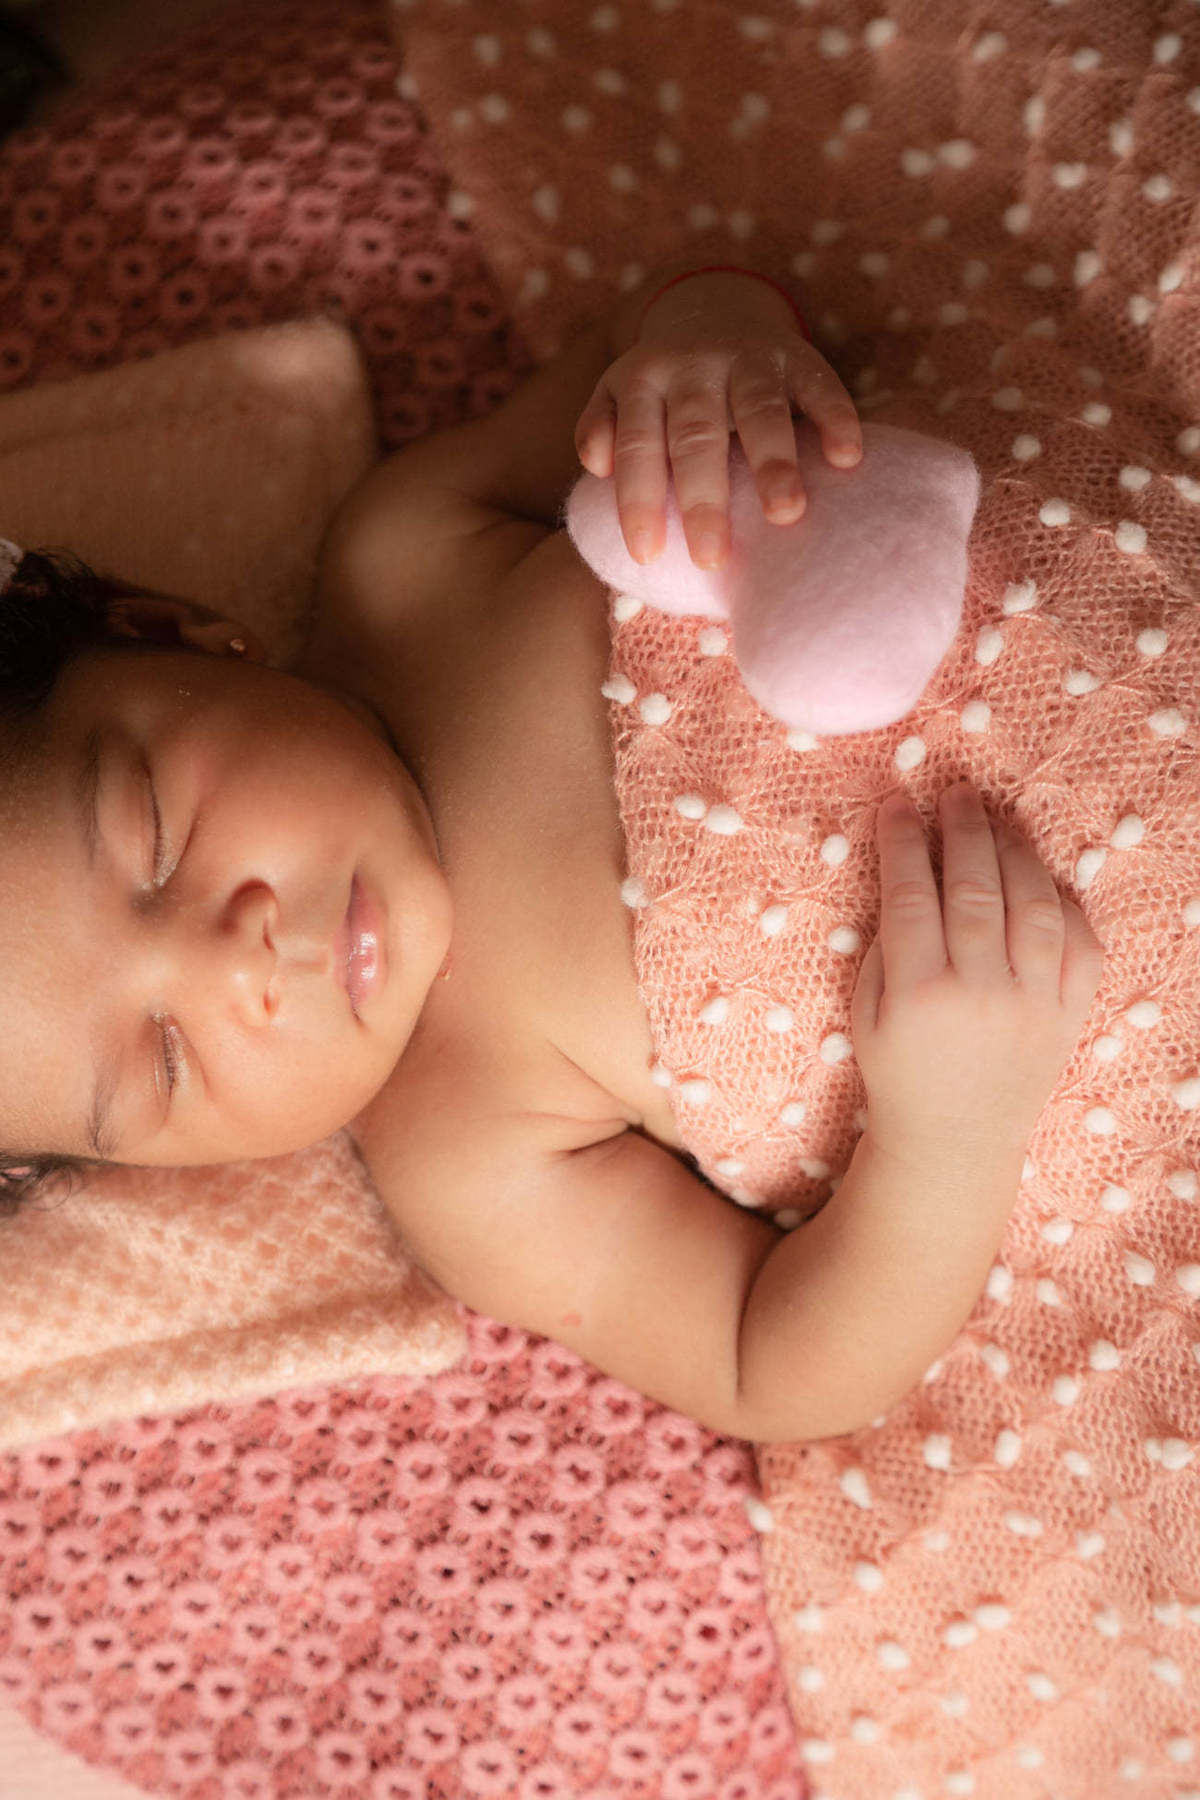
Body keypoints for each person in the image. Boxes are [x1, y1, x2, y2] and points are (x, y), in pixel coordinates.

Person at [0, 262, 1105, 1443]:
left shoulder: (409, 558)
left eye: (156, 839)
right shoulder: (463, 1152)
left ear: (165, 631)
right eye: (164, 1061)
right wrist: (950, 1137)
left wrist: (705, 355)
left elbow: (667, 326)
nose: (240, 963)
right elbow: (765, 1361)